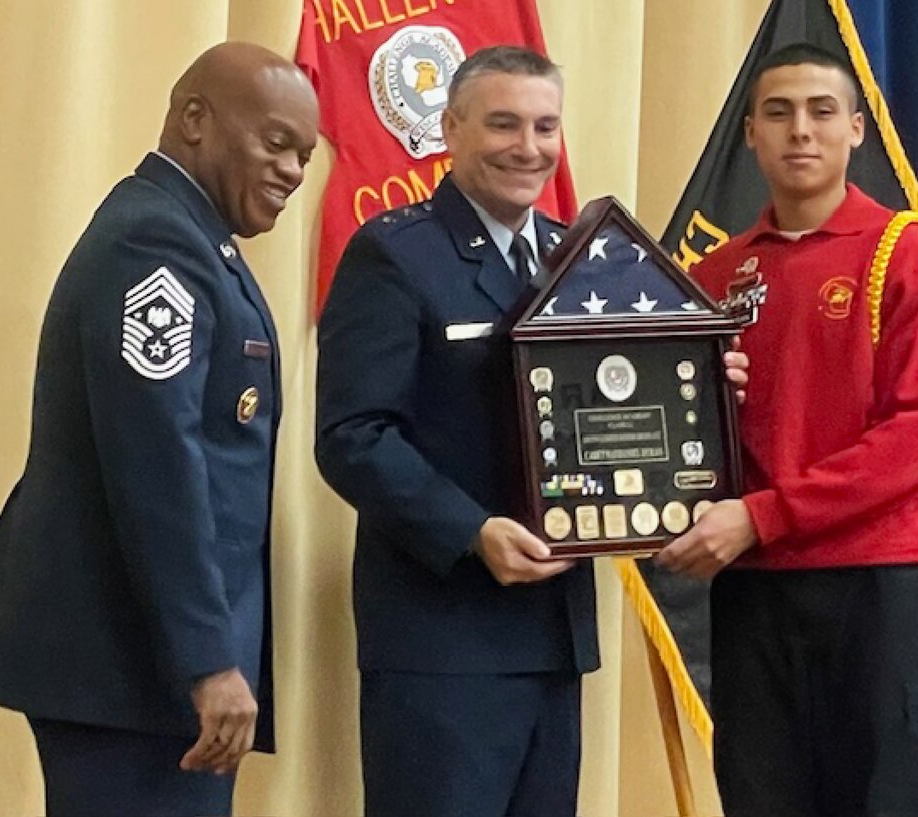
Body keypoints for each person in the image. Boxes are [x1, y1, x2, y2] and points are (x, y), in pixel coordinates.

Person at [316, 45, 747, 817]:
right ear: (451, 127)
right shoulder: (393, 253)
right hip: (442, 643)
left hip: (553, 638)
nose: (529, 147)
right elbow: (353, 434)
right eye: (504, 123)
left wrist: (703, 392)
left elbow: (625, 399)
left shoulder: (576, 258)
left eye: (546, 126)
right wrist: (472, 529)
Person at [0, 42, 318, 816]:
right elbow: (158, 465)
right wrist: (208, 661)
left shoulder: (193, 240)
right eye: (276, 141)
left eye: (306, 155)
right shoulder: (154, 245)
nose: (293, 170)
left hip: (145, 673)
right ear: (195, 120)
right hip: (131, 674)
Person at [655, 43, 918, 817]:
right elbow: (677, 434)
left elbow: (916, 439)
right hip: (756, 590)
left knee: (890, 798)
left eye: (822, 112)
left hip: (878, 585)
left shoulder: (908, 254)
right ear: (750, 133)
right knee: (763, 799)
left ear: (857, 129)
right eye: (780, 113)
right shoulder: (716, 277)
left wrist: (760, 515)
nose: (802, 131)